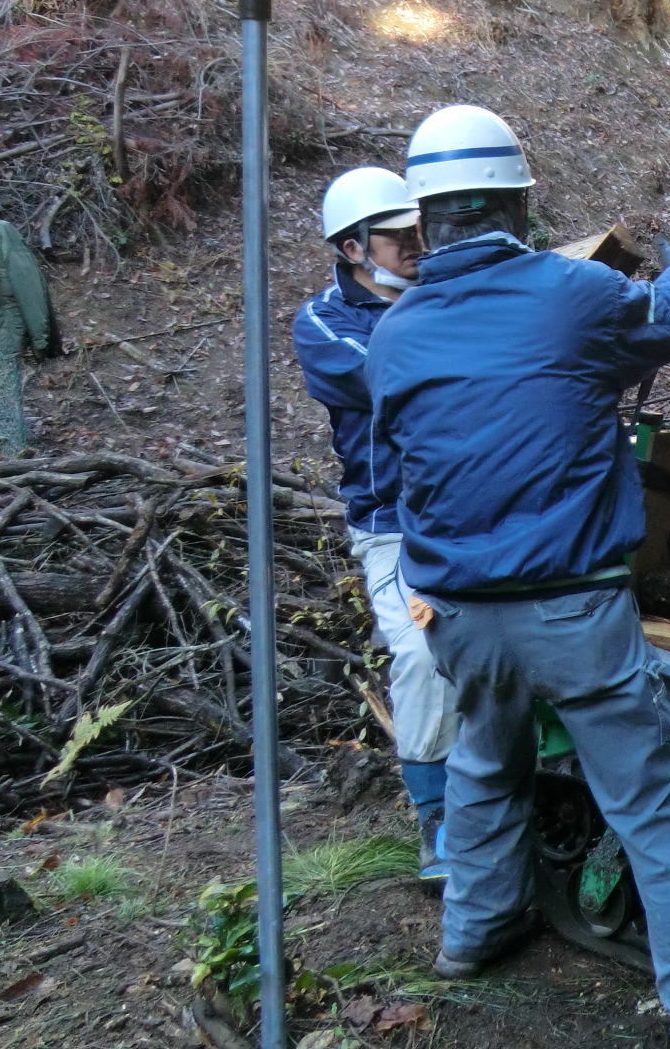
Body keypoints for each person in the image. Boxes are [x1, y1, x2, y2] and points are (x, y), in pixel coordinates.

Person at [366, 105, 670, 1049]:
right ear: (515, 201)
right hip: (572, 612)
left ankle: (472, 932)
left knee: (483, 762)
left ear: (425, 221)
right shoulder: (574, 293)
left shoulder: (396, 333)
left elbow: (394, 475)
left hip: (457, 615)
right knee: (654, 819)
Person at [291, 166, 455, 882]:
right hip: (395, 525)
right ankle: (439, 820)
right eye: (400, 239)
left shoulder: (447, 296)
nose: (419, 247)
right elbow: (392, 382)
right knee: (422, 657)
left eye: (421, 232)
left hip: (474, 508)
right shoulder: (325, 322)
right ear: (354, 248)